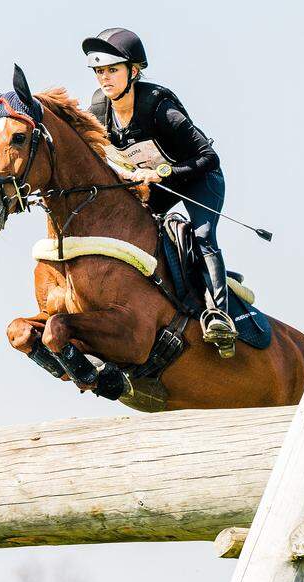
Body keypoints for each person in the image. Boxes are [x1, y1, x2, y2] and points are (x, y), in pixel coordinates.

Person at [82, 27, 237, 358]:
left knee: (202, 234)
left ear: (134, 71)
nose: (104, 79)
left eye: (112, 70)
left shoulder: (158, 107)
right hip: (154, 187)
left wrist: (162, 172)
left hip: (197, 178)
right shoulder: (98, 110)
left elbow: (209, 157)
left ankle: (219, 317)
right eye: (99, 72)